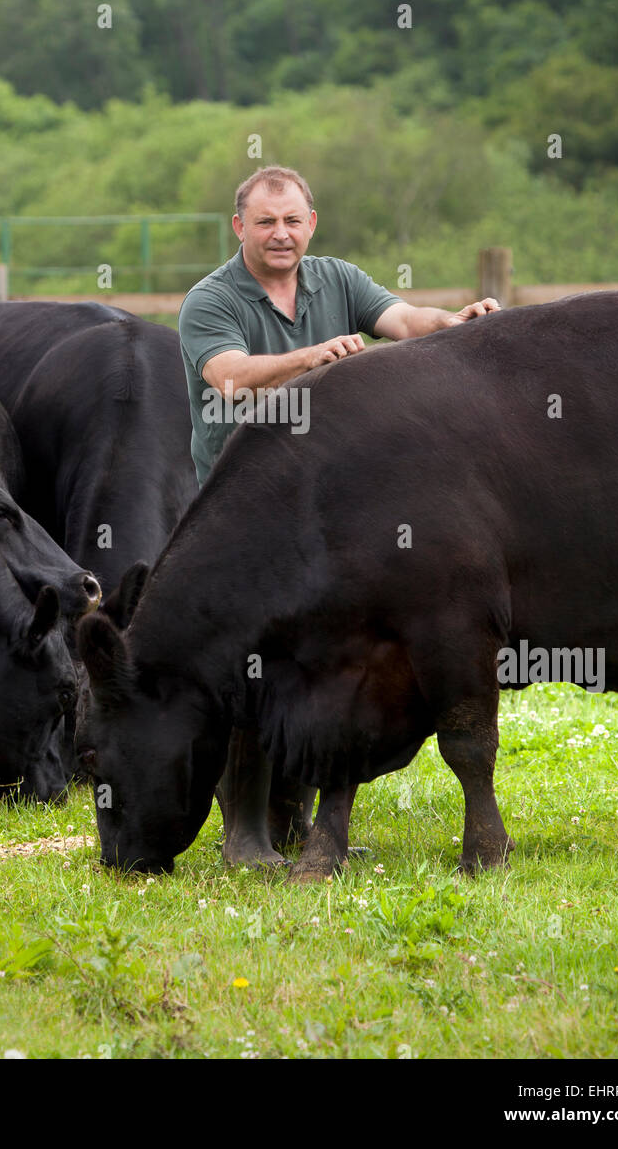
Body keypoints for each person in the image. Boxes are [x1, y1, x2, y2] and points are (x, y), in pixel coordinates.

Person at [177, 164, 500, 865]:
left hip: (328, 512)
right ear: (240, 229)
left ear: (311, 223)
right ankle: (243, 836)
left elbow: (403, 321)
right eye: (265, 222)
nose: (280, 234)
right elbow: (228, 376)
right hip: (239, 515)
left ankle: (296, 818)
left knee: (320, 659)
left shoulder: (339, 279)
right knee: (251, 663)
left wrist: (454, 322)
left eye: (292, 220)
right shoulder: (210, 301)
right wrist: (309, 359)